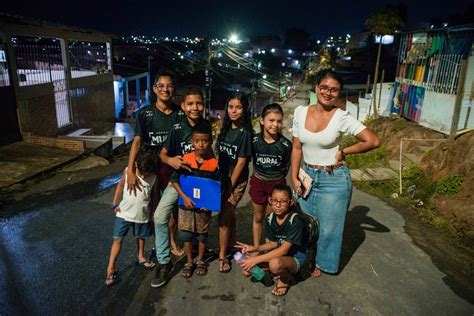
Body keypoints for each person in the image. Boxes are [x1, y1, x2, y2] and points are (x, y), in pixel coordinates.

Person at [291, 69, 380, 277]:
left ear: (338, 93)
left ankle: (321, 263)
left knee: (329, 228)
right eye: (324, 87)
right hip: (307, 175)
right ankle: (302, 257)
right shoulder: (300, 112)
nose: (328, 93)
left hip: (334, 180)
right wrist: (294, 176)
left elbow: (373, 141)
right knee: (304, 222)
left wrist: (344, 151)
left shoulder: (341, 117)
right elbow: (296, 147)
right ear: (316, 88)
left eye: (334, 90)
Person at [151, 86, 210, 288]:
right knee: (159, 217)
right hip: (179, 183)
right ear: (183, 106)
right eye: (190, 104)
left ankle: (197, 258)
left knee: (199, 223)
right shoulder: (177, 128)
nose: (195, 107)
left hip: (201, 184)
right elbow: (162, 154)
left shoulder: (207, 126)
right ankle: (164, 262)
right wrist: (171, 161)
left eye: (199, 103)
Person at [127, 71, 184, 257]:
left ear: (174, 89)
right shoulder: (145, 113)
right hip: (150, 169)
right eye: (161, 86)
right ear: (154, 89)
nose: (165, 89)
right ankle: (149, 247)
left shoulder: (180, 113)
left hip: (172, 168)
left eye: (169, 86)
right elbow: (136, 142)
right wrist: (131, 170)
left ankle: (172, 241)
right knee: (148, 208)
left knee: (172, 209)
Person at [236, 184, 307, 297]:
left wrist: (255, 260)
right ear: (270, 200)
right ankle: (273, 271)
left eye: (283, 201)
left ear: (291, 202)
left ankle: (285, 279)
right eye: (274, 201)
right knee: (246, 271)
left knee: (274, 264)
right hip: (277, 255)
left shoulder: (295, 221)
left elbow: (283, 250)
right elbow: (272, 243)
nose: (278, 205)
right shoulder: (270, 218)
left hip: (294, 258)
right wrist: (254, 248)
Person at [171, 123, 220, 278]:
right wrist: (184, 197)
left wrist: (209, 203)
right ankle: (189, 261)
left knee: (202, 233)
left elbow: (216, 187)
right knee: (185, 232)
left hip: (203, 207)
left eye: (204, 141)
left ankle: (200, 260)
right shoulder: (185, 160)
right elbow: (174, 181)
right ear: (191, 141)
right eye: (197, 141)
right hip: (185, 205)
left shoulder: (214, 164)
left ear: (210, 141)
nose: (200, 144)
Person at [105, 151, 157, 286]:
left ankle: (141, 256)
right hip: (124, 213)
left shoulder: (153, 178)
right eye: (141, 172)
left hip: (142, 214)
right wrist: (115, 202)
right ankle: (111, 268)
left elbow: (154, 197)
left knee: (141, 237)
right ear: (136, 165)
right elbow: (121, 185)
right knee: (117, 239)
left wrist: (152, 213)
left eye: (147, 173)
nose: (144, 175)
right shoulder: (129, 171)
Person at [216, 92, 253, 273]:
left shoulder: (244, 132)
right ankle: (232, 243)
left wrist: (229, 185)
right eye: (231, 107)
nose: (234, 111)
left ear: (244, 109)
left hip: (235, 181)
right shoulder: (226, 128)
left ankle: (222, 256)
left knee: (224, 216)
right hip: (222, 179)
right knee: (229, 212)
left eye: (238, 107)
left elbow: (241, 162)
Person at [250, 103, 292, 247]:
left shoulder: (286, 144)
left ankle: (268, 249)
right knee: (258, 217)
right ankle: (256, 248)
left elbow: (286, 167)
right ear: (262, 120)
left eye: (279, 121)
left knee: (271, 218)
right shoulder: (254, 141)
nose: (275, 124)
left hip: (276, 185)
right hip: (258, 182)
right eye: (271, 120)